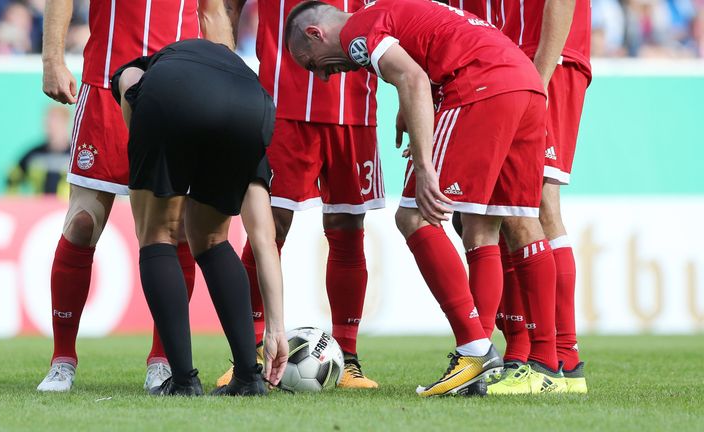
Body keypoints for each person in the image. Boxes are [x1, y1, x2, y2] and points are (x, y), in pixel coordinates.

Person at [285, 0, 566, 396]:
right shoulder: (386, 10)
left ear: (315, 34)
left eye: (312, 63)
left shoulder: (354, 35)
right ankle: (546, 363)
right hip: (525, 82)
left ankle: (475, 351)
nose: (325, 76)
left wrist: (425, 167)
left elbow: (413, 78)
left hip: (478, 85)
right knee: (490, 224)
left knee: (415, 216)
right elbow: (425, 53)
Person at [37, 0, 231, 393]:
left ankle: (163, 361)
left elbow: (211, 12)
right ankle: (62, 360)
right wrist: (52, 59)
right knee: (82, 222)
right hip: (103, 89)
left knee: (175, 230)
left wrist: (228, 79)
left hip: (178, 95)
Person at [215, 0, 383, 389]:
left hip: (353, 107)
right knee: (268, 225)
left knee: (346, 227)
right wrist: (225, 60)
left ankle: (348, 355)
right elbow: (226, 6)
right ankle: (251, 353)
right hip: (282, 104)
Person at [111, 38, 287, 396]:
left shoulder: (139, 69)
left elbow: (129, 86)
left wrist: (155, 169)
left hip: (173, 99)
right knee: (211, 239)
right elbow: (264, 240)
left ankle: (183, 381)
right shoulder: (226, 75)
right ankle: (248, 377)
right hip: (252, 108)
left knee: (157, 234)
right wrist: (275, 329)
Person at [448, 0, 592, 394]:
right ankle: (519, 354)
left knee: (540, 205)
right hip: (496, 70)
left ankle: (560, 359)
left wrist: (539, 79)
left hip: (543, 60)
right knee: (496, 209)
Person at [7, 105, 71, 197]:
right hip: (40, 209)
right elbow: (12, 178)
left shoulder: (75, 155)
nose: (51, 127)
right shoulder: (34, 154)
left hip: (64, 209)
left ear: (65, 123)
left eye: (56, 122)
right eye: (48, 123)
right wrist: (13, 203)